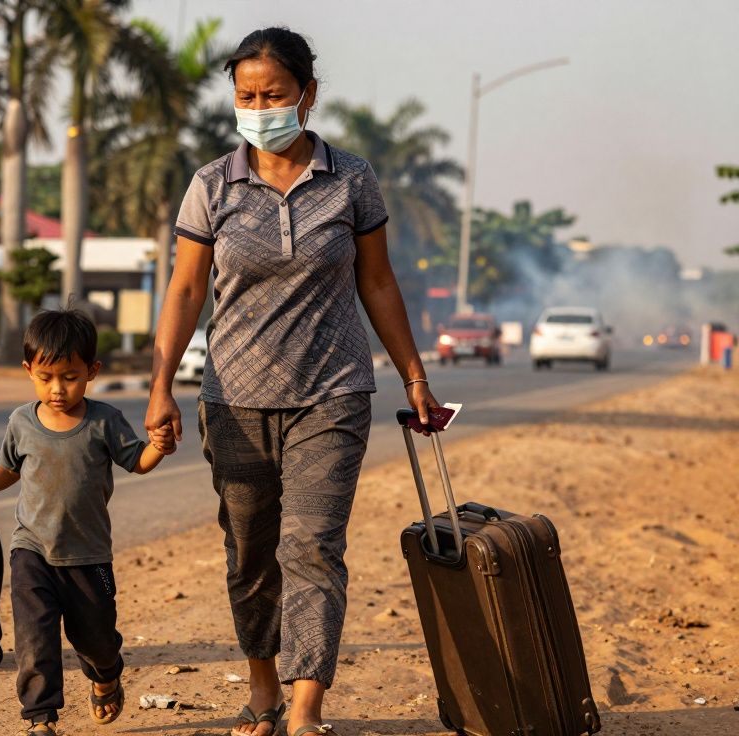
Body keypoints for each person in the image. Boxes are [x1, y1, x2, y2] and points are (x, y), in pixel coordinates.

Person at [144, 27, 440, 736]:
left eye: (272, 94)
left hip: (331, 393)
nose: (258, 107)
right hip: (235, 401)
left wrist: (413, 374)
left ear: (308, 95)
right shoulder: (212, 185)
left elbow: (377, 280)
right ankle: (265, 685)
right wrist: (160, 386)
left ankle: (306, 708)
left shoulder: (352, 179)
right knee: (250, 555)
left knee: (311, 546)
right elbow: (185, 292)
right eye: (245, 96)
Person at [0, 309, 175, 736]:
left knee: (96, 639)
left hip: (88, 555)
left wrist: (159, 446)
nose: (57, 389)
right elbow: (9, 469)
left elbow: (137, 462)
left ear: (92, 371)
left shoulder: (104, 421)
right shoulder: (21, 422)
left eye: (69, 377)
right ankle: (40, 718)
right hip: (31, 550)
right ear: (29, 370)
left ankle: (106, 675)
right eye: (45, 377)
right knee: (35, 640)